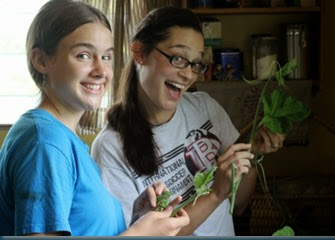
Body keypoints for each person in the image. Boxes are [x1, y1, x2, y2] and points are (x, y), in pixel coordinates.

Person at [0, 0, 189, 236]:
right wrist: (141, 235)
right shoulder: (46, 143)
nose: (101, 71)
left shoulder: (62, 139)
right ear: (41, 60)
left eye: (107, 57)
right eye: (84, 55)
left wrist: (137, 221)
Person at [91, 6, 285, 236]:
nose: (189, 75)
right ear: (139, 52)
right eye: (178, 58)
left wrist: (251, 157)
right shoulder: (110, 148)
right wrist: (215, 192)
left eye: (196, 64)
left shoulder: (205, 108)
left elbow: (239, 204)